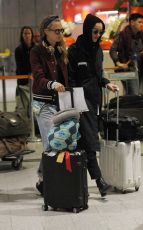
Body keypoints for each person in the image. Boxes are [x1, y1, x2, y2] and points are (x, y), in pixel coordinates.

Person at [68, 13, 118, 197]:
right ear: (88, 29)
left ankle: (46, 180)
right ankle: (99, 180)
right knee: (89, 140)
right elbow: (72, 80)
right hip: (81, 101)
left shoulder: (97, 50)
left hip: (96, 100)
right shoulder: (74, 51)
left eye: (100, 32)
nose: (98, 35)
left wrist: (105, 83)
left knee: (82, 142)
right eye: (95, 31)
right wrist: (77, 105)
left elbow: (97, 75)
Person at [30, 15, 68, 195]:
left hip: (59, 102)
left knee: (55, 142)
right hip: (43, 103)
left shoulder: (61, 50)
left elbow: (65, 77)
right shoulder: (37, 51)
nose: (60, 33)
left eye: (61, 30)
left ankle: (43, 176)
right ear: (46, 32)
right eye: (56, 30)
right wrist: (51, 84)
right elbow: (38, 76)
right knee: (50, 143)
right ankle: (45, 181)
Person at [109, 13, 143, 95]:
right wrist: (118, 63)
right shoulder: (122, 34)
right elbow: (112, 49)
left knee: (131, 93)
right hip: (126, 69)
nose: (142, 24)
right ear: (132, 22)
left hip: (139, 69)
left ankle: (126, 106)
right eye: (139, 22)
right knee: (133, 93)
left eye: (142, 22)